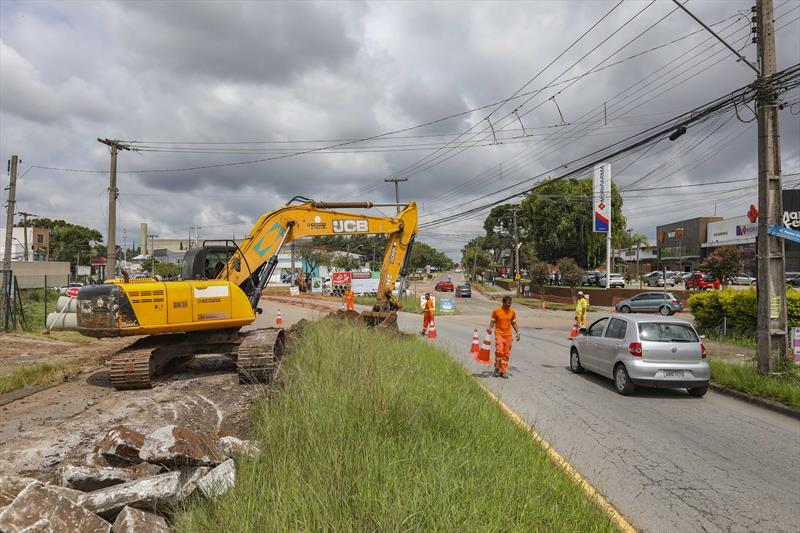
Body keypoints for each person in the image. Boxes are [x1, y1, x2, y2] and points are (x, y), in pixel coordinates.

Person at [488, 296, 520, 378]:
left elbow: (514, 323)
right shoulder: (497, 311)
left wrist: (518, 332)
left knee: (506, 353)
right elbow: (493, 321)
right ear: (503, 303)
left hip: (508, 335)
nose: (509, 305)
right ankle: (497, 368)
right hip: (499, 334)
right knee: (499, 351)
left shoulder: (512, 312)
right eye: (508, 303)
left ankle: (503, 371)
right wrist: (490, 328)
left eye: (510, 304)